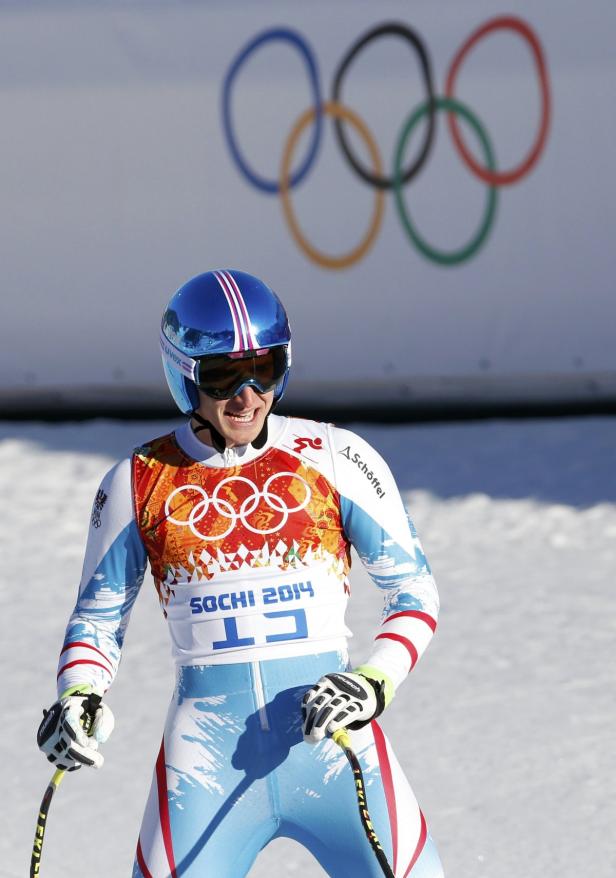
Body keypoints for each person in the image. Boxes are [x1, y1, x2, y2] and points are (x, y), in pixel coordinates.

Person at [37, 269, 444, 878]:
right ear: (184, 375)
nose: (248, 395)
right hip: (206, 766)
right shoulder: (137, 480)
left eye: (267, 369)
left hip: (335, 749)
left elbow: (413, 592)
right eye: (225, 375)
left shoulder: (335, 456)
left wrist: (371, 682)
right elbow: (96, 621)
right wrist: (78, 695)